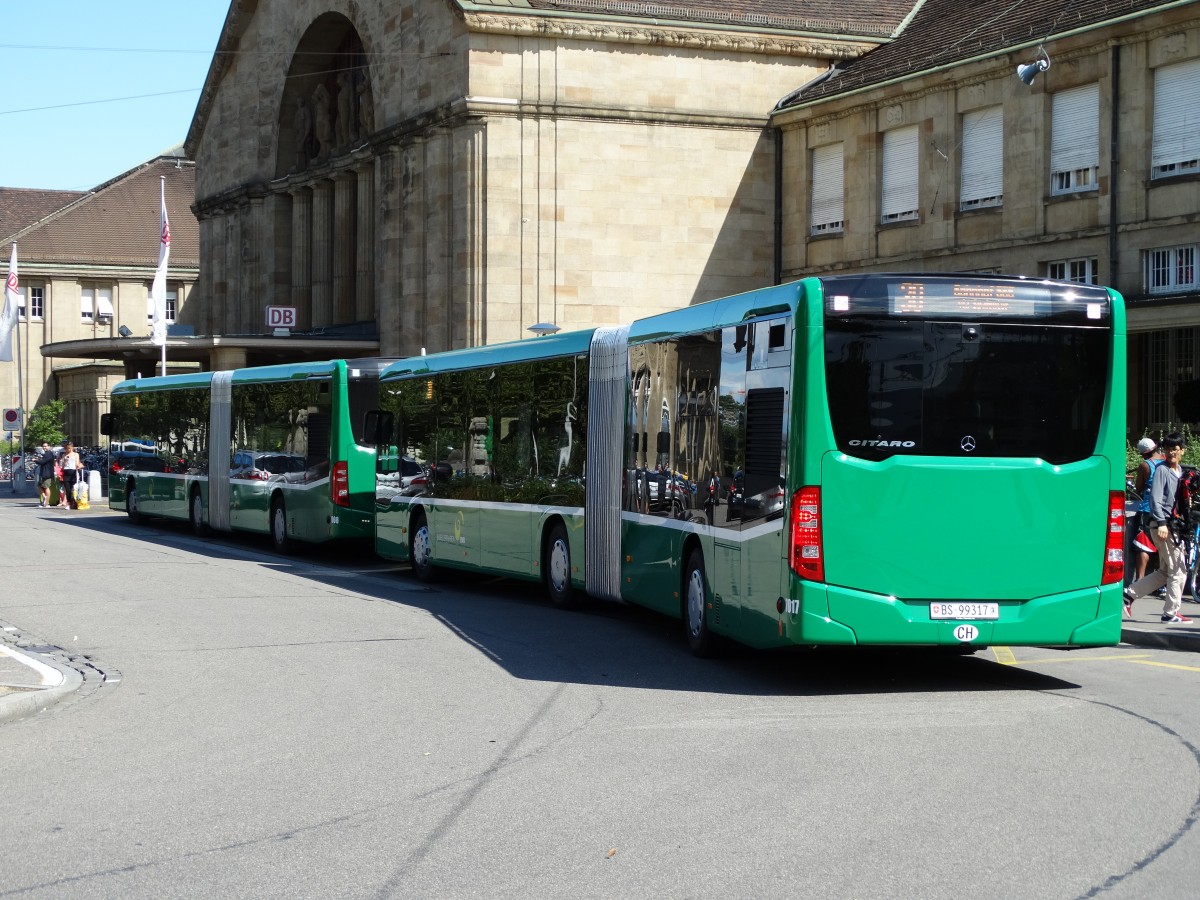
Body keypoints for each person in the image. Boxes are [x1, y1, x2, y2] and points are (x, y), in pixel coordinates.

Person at [1125, 431, 1192, 623]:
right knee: (1178, 569)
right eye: (1168, 449)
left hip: (1171, 525)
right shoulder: (1162, 470)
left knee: (1165, 571)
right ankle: (1170, 613)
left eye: (1175, 449)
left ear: (1182, 451)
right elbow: (1155, 499)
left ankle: (1129, 594)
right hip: (1163, 525)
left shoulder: (1179, 471)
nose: (1171, 453)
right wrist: (1162, 523)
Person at [1128, 437, 1164, 587]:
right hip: (1165, 509)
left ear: (1143, 454)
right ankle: (1160, 581)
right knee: (1162, 545)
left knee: (1143, 544)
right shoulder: (1166, 461)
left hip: (1148, 509)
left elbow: (1138, 488)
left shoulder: (1145, 465)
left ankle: (1140, 581)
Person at [59, 442, 82, 510]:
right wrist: (64, 461)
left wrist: (79, 466)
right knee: (67, 489)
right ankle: (69, 503)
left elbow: (77, 463)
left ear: (72, 448)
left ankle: (74, 503)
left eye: (69, 448)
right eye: (66, 448)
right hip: (66, 472)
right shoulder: (64, 455)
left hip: (73, 472)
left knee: (73, 489)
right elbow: (62, 465)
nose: (68, 450)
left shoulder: (75, 454)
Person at [35, 442, 57, 508]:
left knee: (46, 487)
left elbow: (42, 462)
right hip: (43, 472)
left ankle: (47, 503)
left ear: (49, 447)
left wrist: (35, 460)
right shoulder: (46, 454)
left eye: (45, 446)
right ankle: (45, 497)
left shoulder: (49, 454)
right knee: (39, 486)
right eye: (43, 446)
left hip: (47, 473)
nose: (44, 447)